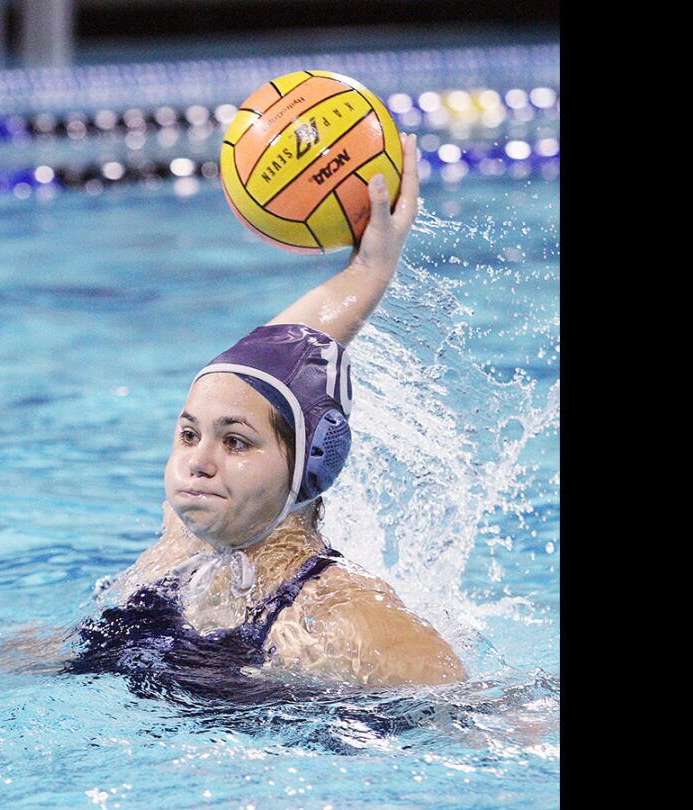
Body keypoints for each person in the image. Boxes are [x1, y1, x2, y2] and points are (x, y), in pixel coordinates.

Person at [65, 132, 465, 697]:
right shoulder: (186, 542)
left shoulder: (345, 617)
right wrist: (370, 272)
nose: (197, 463)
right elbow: (276, 358)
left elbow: (480, 714)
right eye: (187, 434)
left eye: (236, 443)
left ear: (308, 468)